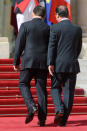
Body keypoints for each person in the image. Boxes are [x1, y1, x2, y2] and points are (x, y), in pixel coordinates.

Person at [13, 5, 50, 126]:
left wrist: (16, 62)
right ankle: (43, 119)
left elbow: (19, 45)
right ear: (44, 16)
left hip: (28, 61)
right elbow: (51, 47)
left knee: (23, 84)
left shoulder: (25, 25)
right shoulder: (48, 28)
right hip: (43, 63)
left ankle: (31, 106)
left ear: (33, 13)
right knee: (41, 90)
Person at [47, 5, 82, 126]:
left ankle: (59, 108)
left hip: (58, 65)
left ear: (57, 15)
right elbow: (78, 48)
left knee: (55, 88)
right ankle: (63, 121)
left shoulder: (55, 28)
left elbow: (52, 46)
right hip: (72, 64)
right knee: (69, 92)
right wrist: (72, 58)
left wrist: (50, 63)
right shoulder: (77, 28)